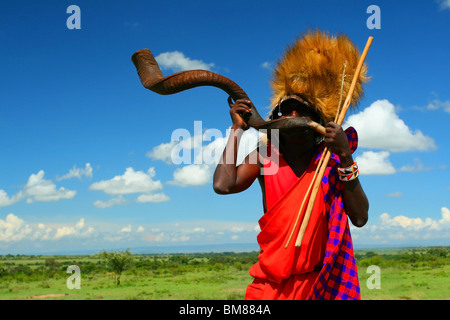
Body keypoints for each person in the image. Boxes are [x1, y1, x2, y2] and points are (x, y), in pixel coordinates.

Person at [213, 30, 369, 300]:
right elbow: (223, 185)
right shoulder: (267, 155)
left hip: (319, 286)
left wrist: (345, 156)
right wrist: (237, 129)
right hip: (268, 286)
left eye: (302, 110)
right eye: (287, 110)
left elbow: (360, 218)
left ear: (317, 121)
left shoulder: (329, 159)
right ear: (276, 119)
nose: (293, 115)